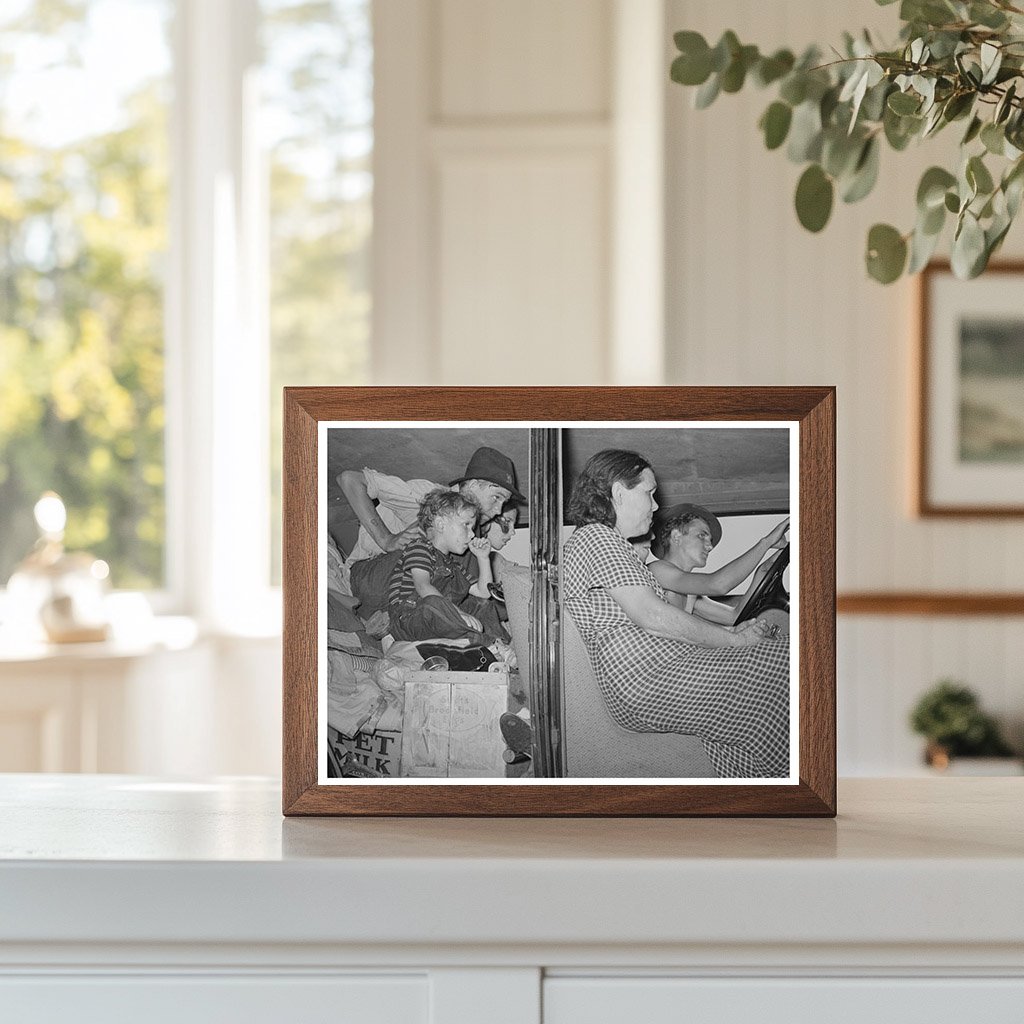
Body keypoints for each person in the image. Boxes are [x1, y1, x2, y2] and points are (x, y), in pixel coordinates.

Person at [561, 449, 790, 779]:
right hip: (647, 677)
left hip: (656, 673)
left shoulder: (612, 546)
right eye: (649, 493)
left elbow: (721, 614)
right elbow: (651, 616)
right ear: (618, 492)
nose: (655, 505)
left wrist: (737, 632)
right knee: (788, 659)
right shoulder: (596, 537)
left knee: (758, 729)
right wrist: (732, 641)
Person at [340, 446, 525, 616]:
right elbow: (350, 480)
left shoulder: (470, 533)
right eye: (496, 497)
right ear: (474, 484)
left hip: (398, 602)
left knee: (483, 603)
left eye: (504, 502)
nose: (499, 509)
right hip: (369, 580)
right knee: (460, 545)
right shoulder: (429, 495)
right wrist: (386, 539)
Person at [387, 489, 505, 645]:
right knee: (433, 603)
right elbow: (423, 587)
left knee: (482, 604)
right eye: (466, 525)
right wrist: (459, 613)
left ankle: (499, 643)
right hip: (408, 618)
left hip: (440, 618)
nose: (472, 535)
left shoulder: (454, 565)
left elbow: (483, 592)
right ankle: (484, 643)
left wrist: (483, 558)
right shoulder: (419, 548)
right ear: (441, 524)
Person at [648, 503, 789, 625]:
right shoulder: (656, 570)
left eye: (710, 540)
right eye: (701, 535)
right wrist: (766, 543)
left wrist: (769, 563)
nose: (710, 547)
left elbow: (733, 616)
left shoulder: (690, 593)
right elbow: (718, 585)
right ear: (676, 536)